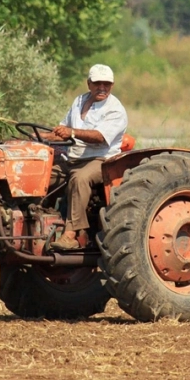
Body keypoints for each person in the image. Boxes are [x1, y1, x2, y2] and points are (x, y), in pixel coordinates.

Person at [44, 64, 128, 250]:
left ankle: (71, 234)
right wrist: (39, 137)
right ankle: (35, 219)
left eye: (107, 84)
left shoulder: (115, 110)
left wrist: (72, 132)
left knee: (80, 178)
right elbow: (61, 130)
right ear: (89, 84)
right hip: (72, 158)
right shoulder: (79, 101)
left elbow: (100, 137)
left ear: (112, 85)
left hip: (101, 160)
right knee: (41, 174)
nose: (102, 88)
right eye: (98, 83)